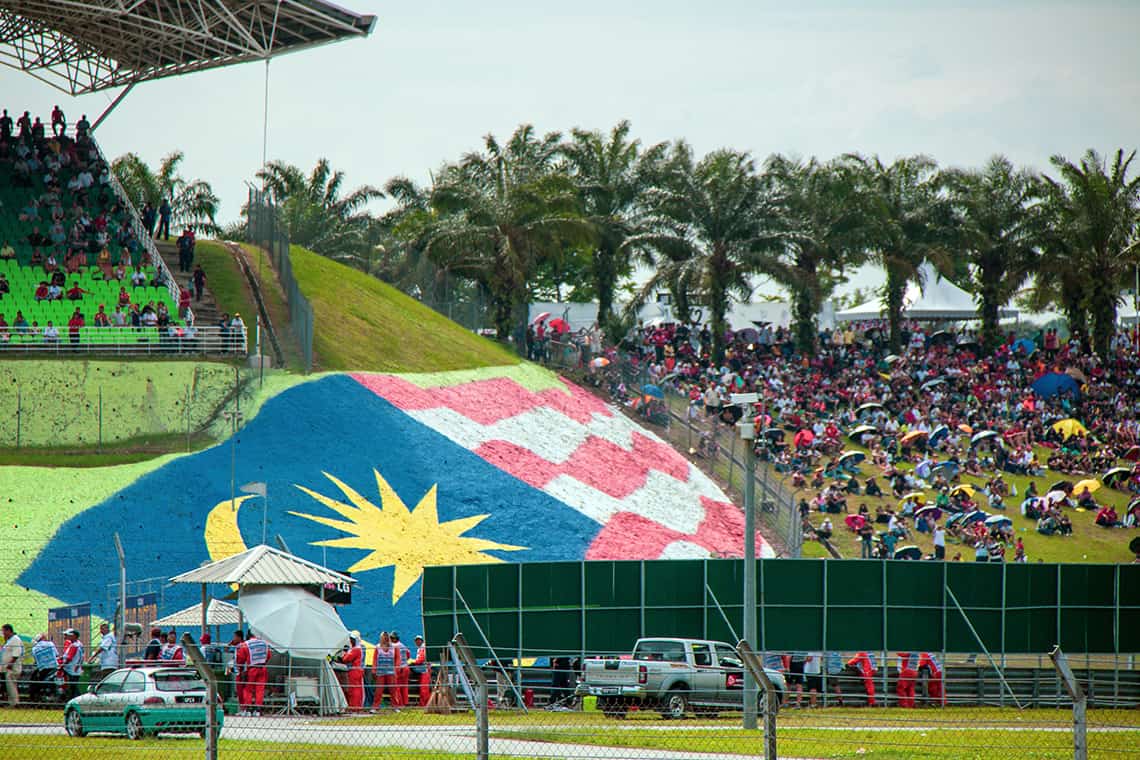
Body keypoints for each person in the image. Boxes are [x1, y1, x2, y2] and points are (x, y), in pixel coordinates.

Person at [234, 629, 269, 716]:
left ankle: (248, 709)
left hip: (252, 669)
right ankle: (258, 710)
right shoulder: (264, 643)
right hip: (263, 668)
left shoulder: (245, 645)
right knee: (260, 689)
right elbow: (268, 656)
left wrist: (241, 669)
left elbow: (240, 659)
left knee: (248, 689)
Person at [29, 633, 59, 704]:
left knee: (37, 681)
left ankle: (36, 698)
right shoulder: (50, 644)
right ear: (42, 638)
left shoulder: (34, 649)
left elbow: (35, 660)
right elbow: (56, 654)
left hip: (42, 669)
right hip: (53, 667)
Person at [371, 631, 398, 711]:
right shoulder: (377, 647)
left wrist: (396, 669)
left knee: (393, 690)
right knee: (378, 690)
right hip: (380, 672)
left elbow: (397, 659)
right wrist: (373, 669)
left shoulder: (394, 647)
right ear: (381, 638)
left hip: (391, 672)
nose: (385, 638)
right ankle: (375, 707)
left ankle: (395, 706)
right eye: (384, 636)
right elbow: (375, 659)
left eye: (387, 636)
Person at [340, 631, 365, 711]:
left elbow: (346, 659)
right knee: (357, 689)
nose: (351, 640)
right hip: (359, 670)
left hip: (354, 671)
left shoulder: (355, 650)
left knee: (353, 689)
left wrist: (344, 653)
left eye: (352, 639)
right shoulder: (361, 648)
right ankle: (357, 706)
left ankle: (354, 707)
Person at [1, 624, 23, 706]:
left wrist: (10, 664)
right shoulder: (10, 640)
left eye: (3, 631)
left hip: (12, 667)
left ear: (8, 631)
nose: (3, 633)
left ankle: (15, 703)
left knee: (11, 685)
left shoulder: (15, 640)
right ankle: (12, 702)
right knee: (9, 685)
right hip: (8, 667)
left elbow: (16, 654)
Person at [60, 628, 84, 700]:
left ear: (73, 636)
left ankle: (78, 700)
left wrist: (62, 665)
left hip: (71, 669)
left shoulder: (74, 646)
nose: (67, 637)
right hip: (76, 668)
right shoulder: (79, 644)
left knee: (73, 687)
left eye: (68, 635)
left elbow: (69, 658)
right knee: (73, 686)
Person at [409, 635, 431, 706]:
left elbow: (421, 658)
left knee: (424, 688)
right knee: (423, 687)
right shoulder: (420, 648)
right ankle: (423, 703)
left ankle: (424, 703)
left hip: (425, 670)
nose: (417, 642)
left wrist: (414, 662)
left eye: (419, 640)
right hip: (422, 669)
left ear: (422, 641)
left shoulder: (423, 647)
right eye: (416, 641)